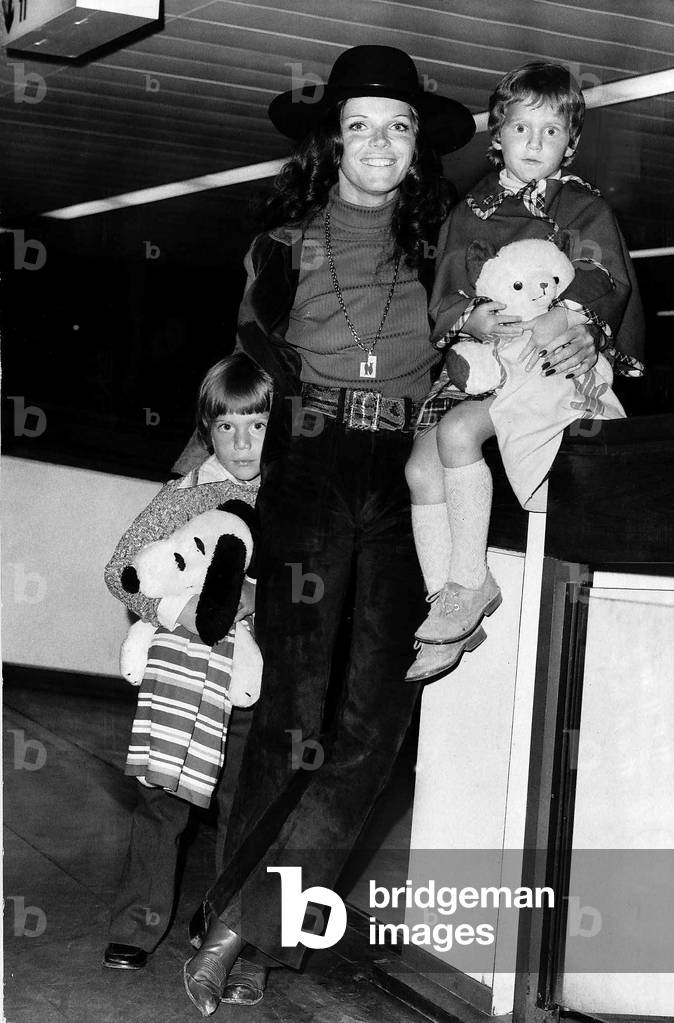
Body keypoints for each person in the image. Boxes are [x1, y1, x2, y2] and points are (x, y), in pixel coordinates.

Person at [181, 45, 476, 1016]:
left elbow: (513, 331)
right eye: (361, 125)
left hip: (404, 480)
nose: (380, 143)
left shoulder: (449, 248)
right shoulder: (284, 246)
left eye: (397, 126)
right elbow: (241, 372)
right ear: (332, 142)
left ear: (415, 148)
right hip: (310, 466)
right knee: (291, 718)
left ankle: (244, 925)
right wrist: (195, 487)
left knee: (371, 729)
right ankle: (241, 928)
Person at [404, 61, 645, 682]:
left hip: (546, 371)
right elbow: (448, 294)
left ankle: (468, 583)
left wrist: (570, 318)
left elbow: (607, 281)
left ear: (572, 142)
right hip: (486, 362)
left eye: (551, 131)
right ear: (497, 136)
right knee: (418, 466)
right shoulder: (470, 211)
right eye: (521, 129)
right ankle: (450, 594)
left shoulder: (585, 208)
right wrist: (472, 319)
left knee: (457, 434)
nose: (534, 144)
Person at [102, 354, 271, 1000]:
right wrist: (171, 610)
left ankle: (222, 924)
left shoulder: (288, 494)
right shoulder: (185, 493)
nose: (243, 442)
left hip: (249, 676)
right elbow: (121, 569)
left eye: (256, 425)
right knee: (161, 796)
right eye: (227, 428)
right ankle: (138, 922)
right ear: (207, 429)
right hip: (182, 674)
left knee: (241, 802)